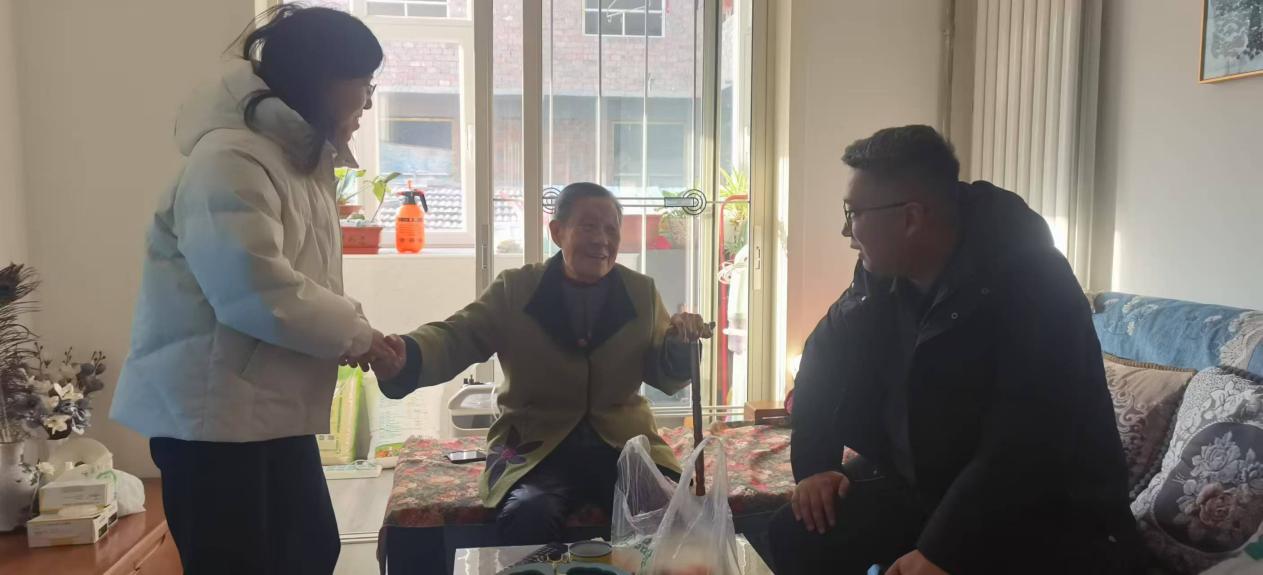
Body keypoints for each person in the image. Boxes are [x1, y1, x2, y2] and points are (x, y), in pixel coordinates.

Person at [767, 125, 1141, 574]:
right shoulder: (881, 276)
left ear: (910, 218)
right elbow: (823, 355)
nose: (846, 230)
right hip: (931, 494)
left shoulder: (1035, 280)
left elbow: (1028, 439)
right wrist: (815, 466)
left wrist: (942, 550)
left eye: (854, 212)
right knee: (798, 530)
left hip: (1044, 514)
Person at [111, 7, 398, 574]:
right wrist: (358, 335)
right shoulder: (230, 159)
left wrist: (356, 333)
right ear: (322, 79)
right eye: (363, 83)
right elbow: (256, 292)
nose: (367, 102)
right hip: (214, 423)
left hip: (266, 413)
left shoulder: (294, 158)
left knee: (312, 550)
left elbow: (301, 281)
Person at [372, 182, 712, 545]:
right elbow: (458, 336)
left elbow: (665, 373)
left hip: (623, 445)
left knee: (667, 514)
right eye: (588, 226)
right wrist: (408, 354)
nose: (601, 240)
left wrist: (680, 342)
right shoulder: (516, 289)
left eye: (611, 229)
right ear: (557, 232)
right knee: (527, 514)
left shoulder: (640, 292)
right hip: (535, 445)